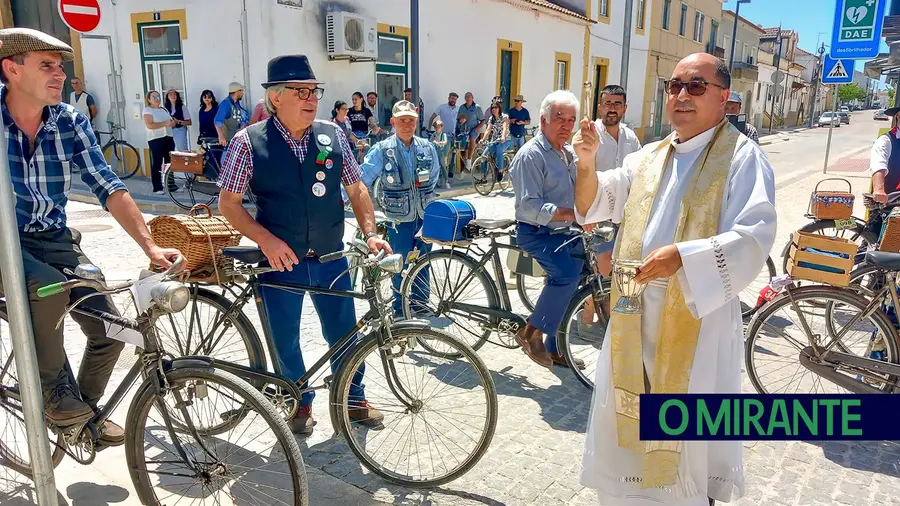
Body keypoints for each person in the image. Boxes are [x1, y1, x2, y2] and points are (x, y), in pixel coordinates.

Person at [574, 53, 776, 506]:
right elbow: (595, 204)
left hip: (694, 318)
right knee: (627, 431)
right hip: (633, 316)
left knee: (683, 442)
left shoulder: (743, 159)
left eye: (696, 86)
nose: (682, 95)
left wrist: (683, 258)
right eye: (674, 86)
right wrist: (585, 163)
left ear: (723, 98)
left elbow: (754, 236)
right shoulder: (648, 157)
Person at [0, 28, 180, 441]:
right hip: (4, 242)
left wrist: (150, 246)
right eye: (46, 65)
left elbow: (110, 187)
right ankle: (53, 395)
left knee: (111, 327)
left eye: (61, 66)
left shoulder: (68, 120)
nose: (59, 74)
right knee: (48, 289)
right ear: (11, 69)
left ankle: (79, 417)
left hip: (56, 239)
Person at [216, 54, 391, 435]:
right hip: (281, 261)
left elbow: (357, 188)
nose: (312, 98)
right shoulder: (248, 142)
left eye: (315, 90)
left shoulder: (332, 134)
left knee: (345, 332)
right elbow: (228, 204)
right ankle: (298, 400)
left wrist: (370, 230)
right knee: (285, 338)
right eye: (301, 91)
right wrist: (266, 240)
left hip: (330, 255)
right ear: (276, 98)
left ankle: (353, 397)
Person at [508, 90, 586, 370]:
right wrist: (572, 214)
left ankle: (556, 347)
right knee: (565, 275)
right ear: (543, 121)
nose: (566, 125)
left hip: (563, 231)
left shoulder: (566, 154)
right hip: (536, 232)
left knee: (581, 275)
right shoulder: (531, 155)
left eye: (571, 120)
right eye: (559, 118)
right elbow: (529, 206)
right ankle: (530, 332)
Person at [361, 100, 441, 316]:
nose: (407, 124)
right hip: (398, 218)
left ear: (416, 122)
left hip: (424, 214)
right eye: (402, 120)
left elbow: (434, 175)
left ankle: (421, 305)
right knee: (399, 263)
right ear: (393, 122)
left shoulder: (428, 147)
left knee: (423, 261)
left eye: (411, 120)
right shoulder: (382, 150)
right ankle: (400, 309)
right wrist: (341, 198)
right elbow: (362, 179)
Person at [142, 90, 178, 194]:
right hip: (156, 139)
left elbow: (170, 122)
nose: (157, 99)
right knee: (157, 162)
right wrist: (165, 123)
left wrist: (172, 123)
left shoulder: (163, 109)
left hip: (168, 137)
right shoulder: (147, 110)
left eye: (158, 96)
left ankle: (171, 185)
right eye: (154, 97)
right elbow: (150, 125)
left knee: (170, 162)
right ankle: (157, 187)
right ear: (149, 99)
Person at [869, 105, 900, 204]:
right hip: (892, 201)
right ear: (898, 116)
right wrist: (879, 189)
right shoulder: (886, 140)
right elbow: (878, 165)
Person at [477, 101, 511, 180]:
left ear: (499, 109)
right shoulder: (491, 118)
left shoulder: (504, 117)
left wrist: (503, 137)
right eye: (492, 108)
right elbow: (488, 130)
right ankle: (484, 176)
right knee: (483, 156)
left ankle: (500, 170)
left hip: (505, 140)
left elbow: (505, 128)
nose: (494, 109)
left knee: (499, 148)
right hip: (494, 140)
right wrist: (483, 139)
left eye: (496, 108)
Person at [214, 81, 250, 146]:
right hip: (228, 143)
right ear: (237, 91)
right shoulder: (226, 104)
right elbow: (217, 121)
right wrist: (221, 136)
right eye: (242, 91)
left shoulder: (236, 103)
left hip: (236, 142)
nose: (243, 93)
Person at [459, 92, 485, 170]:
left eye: (469, 97)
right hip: (464, 129)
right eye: (466, 97)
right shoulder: (462, 107)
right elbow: (458, 119)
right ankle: (464, 163)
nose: (467, 98)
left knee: (472, 139)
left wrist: (477, 128)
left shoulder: (477, 107)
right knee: (462, 145)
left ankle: (469, 160)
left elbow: (483, 120)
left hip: (474, 129)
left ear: (472, 98)